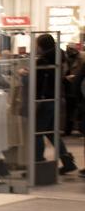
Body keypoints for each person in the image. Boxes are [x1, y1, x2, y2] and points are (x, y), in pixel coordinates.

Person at [29, 34, 77, 175]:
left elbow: (37, 82)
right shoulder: (60, 58)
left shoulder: (43, 61)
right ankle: (67, 162)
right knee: (51, 132)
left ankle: (38, 163)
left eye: (37, 44)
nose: (36, 47)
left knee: (37, 131)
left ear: (42, 46)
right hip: (56, 98)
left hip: (45, 100)